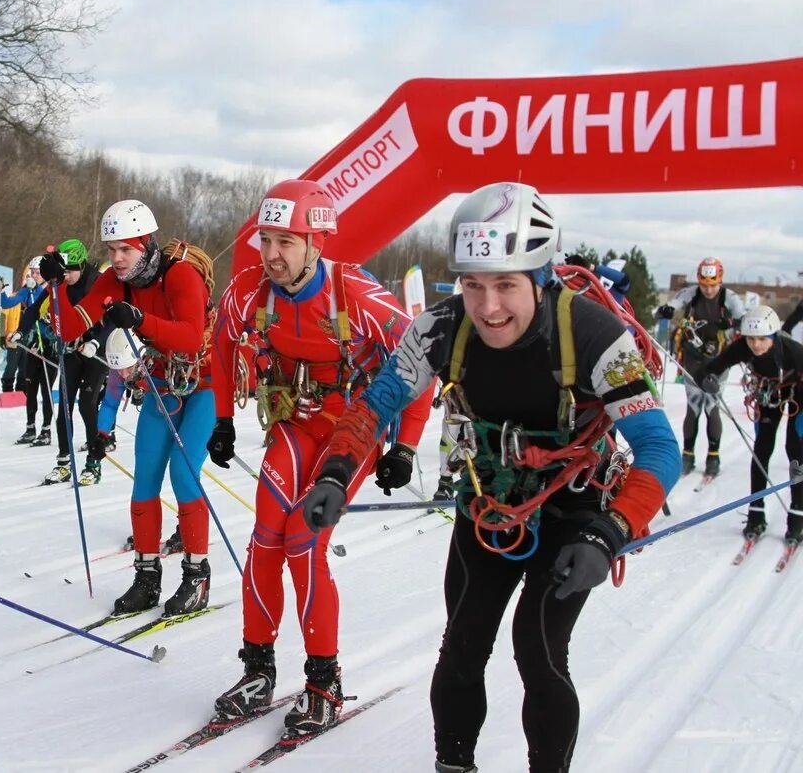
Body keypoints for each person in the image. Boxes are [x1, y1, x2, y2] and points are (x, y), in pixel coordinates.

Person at [300, 182, 679, 773]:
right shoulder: (440, 326)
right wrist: (335, 472)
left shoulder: (595, 336)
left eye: (506, 284)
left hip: (576, 509)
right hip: (488, 500)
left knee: (538, 648)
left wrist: (609, 531)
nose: (488, 306)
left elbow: (658, 447)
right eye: (472, 284)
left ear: (541, 276)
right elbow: (376, 402)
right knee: (462, 646)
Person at [204, 179, 433, 735]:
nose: (273, 254)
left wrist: (404, 444)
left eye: (287, 241)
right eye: (266, 240)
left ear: (317, 242)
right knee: (265, 536)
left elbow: (420, 360)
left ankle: (322, 680)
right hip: (294, 424)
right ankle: (257, 669)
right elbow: (221, 346)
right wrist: (223, 420)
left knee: (304, 542)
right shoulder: (248, 291)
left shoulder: (356, 294)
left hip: (352, 432)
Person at [39, 199, 215, 616]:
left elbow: (190, 338)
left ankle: (196, 577)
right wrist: (57, 285)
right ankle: (147, 577)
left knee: (184, 474)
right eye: (111, 249)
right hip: (163, 383)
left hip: (206, 382)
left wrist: (138, 319)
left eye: (126, 250)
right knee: (145, 480)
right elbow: (68, 329)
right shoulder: (114, 281)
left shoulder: (181, 275)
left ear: (146, 243)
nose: (117, 259)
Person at [700, 305, 803, 545]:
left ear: (774, 336)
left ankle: (798, 513)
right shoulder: (742, 348)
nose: (756, 345)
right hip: (769, 393)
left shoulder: (793, 352)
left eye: (762, 339)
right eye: (751, 339)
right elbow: (712, 367)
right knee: (762, 450)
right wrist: (709, 379)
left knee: (795, 449)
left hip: (799, 393)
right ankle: (756, 511)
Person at [21, 239, 109, 485]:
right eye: (62, 272)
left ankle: (93, 462)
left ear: (81, 264)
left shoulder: (96, 282)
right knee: (65, 408)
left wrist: (95, 343)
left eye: (70, 271)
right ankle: (63, 463)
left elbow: (112, 320)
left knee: (87, 406)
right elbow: (34, 308)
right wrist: (20, 331)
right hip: (71, 349)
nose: (66, 276)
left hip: (96, 352)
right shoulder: (59, 283)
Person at [656, 257, 745, 478]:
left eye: (713, 285)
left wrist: (732, 323)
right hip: (693, 356)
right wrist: (666, 310)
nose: (708, 290)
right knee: (694, 406)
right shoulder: (691, 293)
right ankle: (688, 455)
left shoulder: (729, 297)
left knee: (711, 406)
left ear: (720, 281)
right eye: (704, 284)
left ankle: (713, 456)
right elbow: (671, 305)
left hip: (719, 357)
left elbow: (745, 319)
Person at [3, 257, 54, 445]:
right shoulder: (29, 292)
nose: (33, 276)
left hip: (50, 347)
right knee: (30, 388)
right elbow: (22, 311)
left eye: (37, 273)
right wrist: (18, 333)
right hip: (32, 346)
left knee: (46, 389)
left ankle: (46, 430)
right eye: (31, 272)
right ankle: (30, 427)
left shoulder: (51, 292)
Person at [0, 275, 23, 393]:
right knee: (12, 364)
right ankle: (7, 387)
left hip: (27, 337)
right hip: (12, 337)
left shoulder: (35, 300)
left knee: (24, 366)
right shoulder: (13, 298)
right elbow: (3, 317)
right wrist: (2, 336)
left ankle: (21, 389)